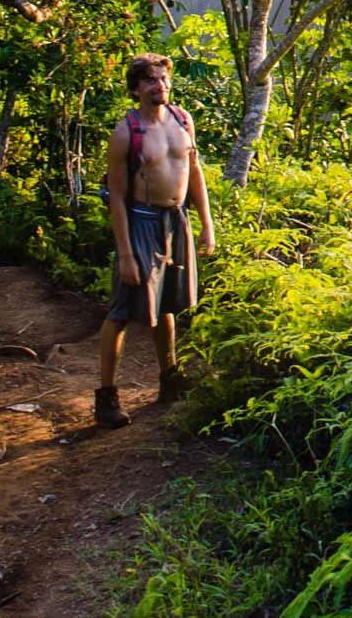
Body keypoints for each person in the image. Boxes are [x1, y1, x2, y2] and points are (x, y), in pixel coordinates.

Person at [93, 52, 216, 428]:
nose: (159, 85)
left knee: (167, 305)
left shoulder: (182, 120)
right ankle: (107, 398)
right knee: (122, 311)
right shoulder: (126, 133)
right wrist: (127, 253)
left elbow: (194, 170)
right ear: (135, 89)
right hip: (140, 222)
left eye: (163, 79)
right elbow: (115, 196)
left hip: (174, 220)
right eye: (150, 80)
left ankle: (170, 379)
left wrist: (206, 223)